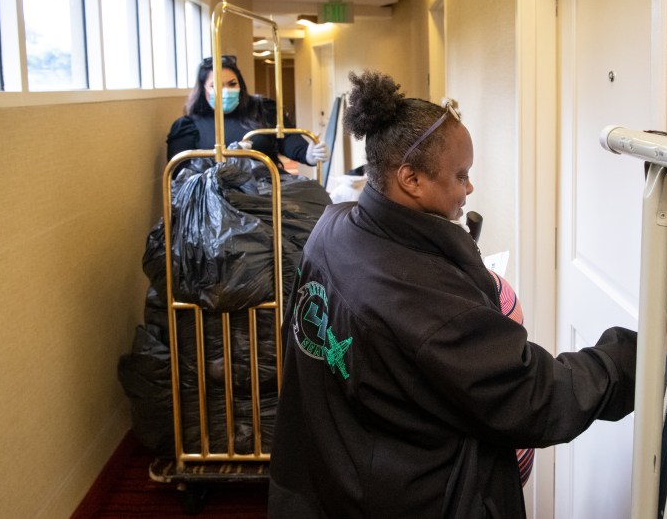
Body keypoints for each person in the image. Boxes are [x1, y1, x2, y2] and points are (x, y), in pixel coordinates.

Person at [267, 70, 637, 518]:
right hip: (411, 494)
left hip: (337, 471)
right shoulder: (423, 301)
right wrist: (632, 358)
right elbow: (534, 396)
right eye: (461, 175)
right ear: (411, 179)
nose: (469, 187)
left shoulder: (333, 227)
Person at [166, 55, 328, 171]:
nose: (226, 90)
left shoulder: (264, 110)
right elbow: (180, 171)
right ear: (203, 89)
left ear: (240, 85)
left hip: (268, 193)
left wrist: (309, 155)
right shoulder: (189, 126)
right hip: (216, 199)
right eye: (217, 86)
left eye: (232, 84)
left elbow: (290, 140)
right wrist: (227, 160)